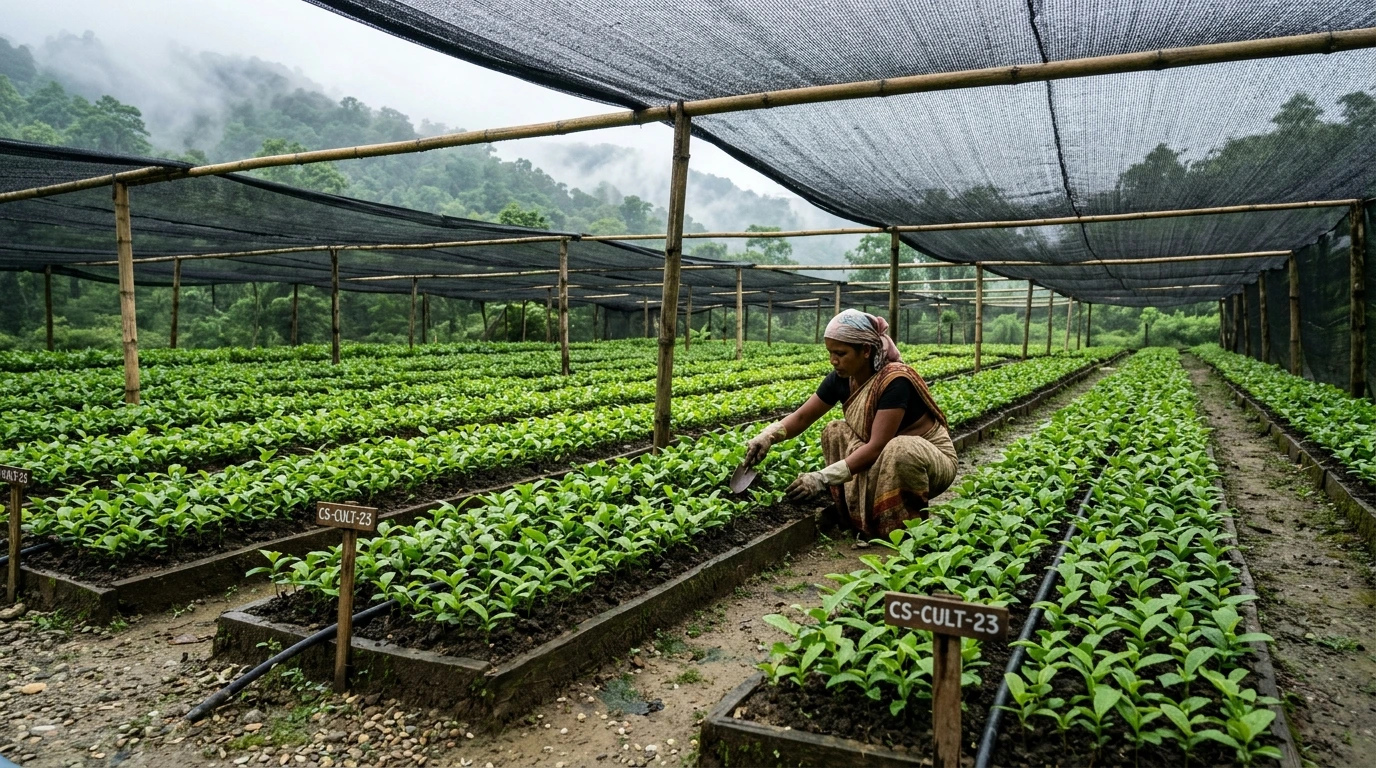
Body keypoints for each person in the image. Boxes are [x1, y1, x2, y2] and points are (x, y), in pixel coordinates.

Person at [743, 309, 957, 539]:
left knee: (900, 448)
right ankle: (854, 519)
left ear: (865, 350)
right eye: (830, 353)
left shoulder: (895, 381)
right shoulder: (841, 379)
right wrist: (768, 435)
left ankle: (901, 532)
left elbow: (877, 446)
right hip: (882, 460)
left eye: (840, 353)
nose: (833, 360)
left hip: (928, 462)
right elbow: (802, 417)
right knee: (834, 430)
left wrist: (821, 477)